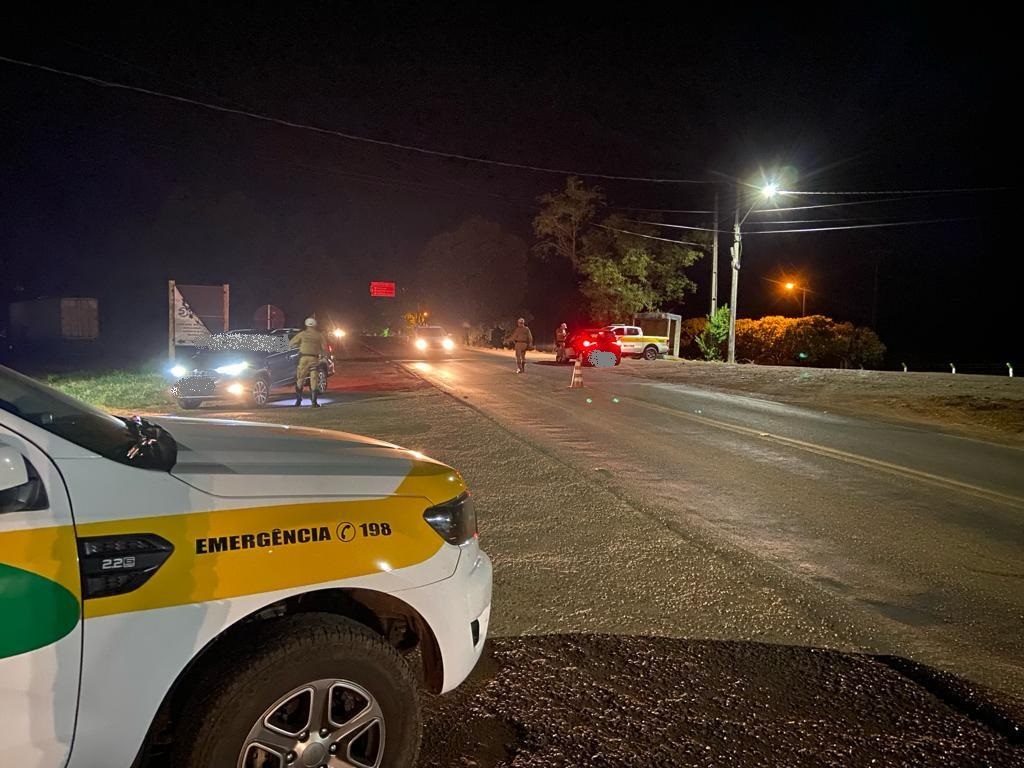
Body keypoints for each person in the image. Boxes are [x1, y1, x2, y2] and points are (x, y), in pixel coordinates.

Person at [289, 317, 327, 407]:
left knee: (300, 378)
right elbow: (324, 348)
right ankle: (314, 402)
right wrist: (323, 355)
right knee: (314, 379)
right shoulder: (319, 335)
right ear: (315, 325)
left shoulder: (302, 334)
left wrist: (299, 345)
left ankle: (298, 401)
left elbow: (291, 343)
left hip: (303, 359)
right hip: (314, 359)